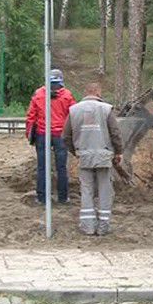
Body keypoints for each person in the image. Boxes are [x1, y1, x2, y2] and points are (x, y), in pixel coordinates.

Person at [64, 82, 123, 236]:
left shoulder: (74, 110)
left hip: (84, 156)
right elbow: (115, 133)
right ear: (98, 93)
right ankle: (103, 226)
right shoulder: (106, 109)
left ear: (86, 92)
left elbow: (66, 136)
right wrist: (118, 152)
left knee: (86, 190)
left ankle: (88, 226)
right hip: (103, 156)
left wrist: (75, 151)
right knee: (105, 190)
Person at [25, 69, 77, 205]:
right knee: (61, 167)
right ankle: (63, 197)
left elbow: (31, 116)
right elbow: (73, 115)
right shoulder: (67, 95)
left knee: (42, 166)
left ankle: (41, 197)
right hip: (60, 135)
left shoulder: (38, 94)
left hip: (42, 134)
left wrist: (29, 134)